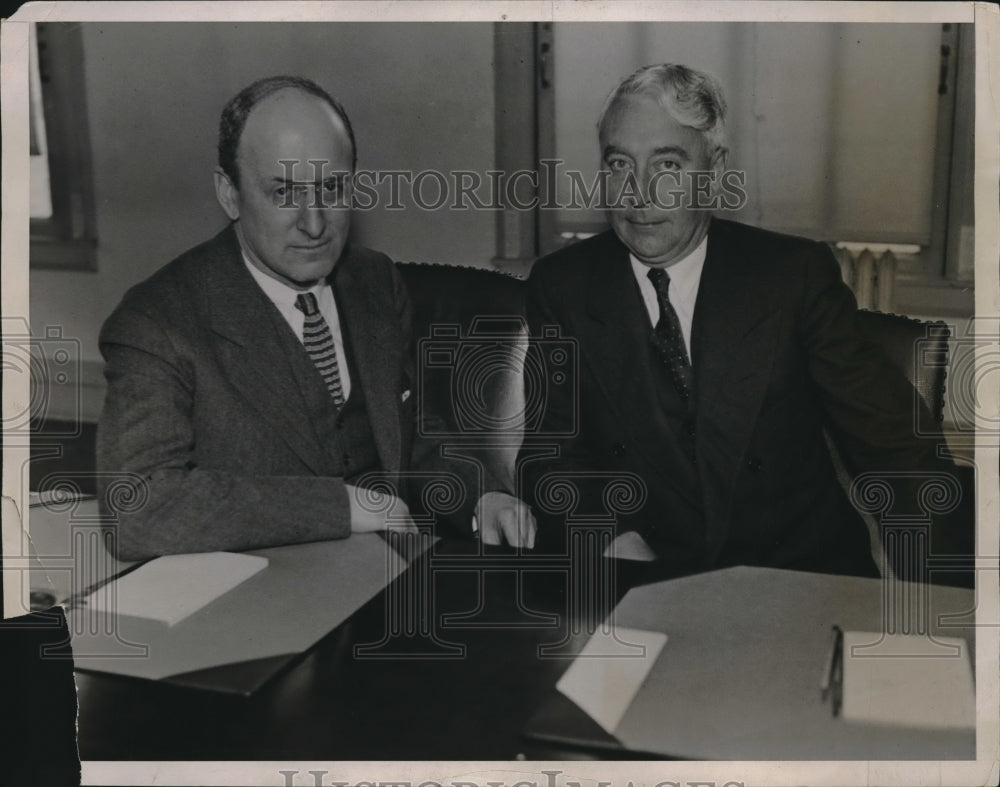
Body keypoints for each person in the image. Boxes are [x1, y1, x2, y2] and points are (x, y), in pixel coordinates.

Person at [519, 63, 969, 580]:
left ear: (714, 172)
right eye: (619, 164)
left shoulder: (791, 276)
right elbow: (549, 456)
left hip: (797, 579)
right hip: (646, 580)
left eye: (666, 166)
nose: (637, 193)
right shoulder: (564, 285)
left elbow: (895, 451)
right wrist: (610, 535)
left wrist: (950, 603)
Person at [98, 75, 533, 561]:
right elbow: (135, 510)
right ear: (229, 194)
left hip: (387, 578)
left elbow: (408, 433)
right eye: (284, 192)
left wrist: (482, 496)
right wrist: (344, 506)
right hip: (256, 602)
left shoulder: (375, 281)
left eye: (332, 187)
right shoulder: (156, 322)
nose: (314, 222)